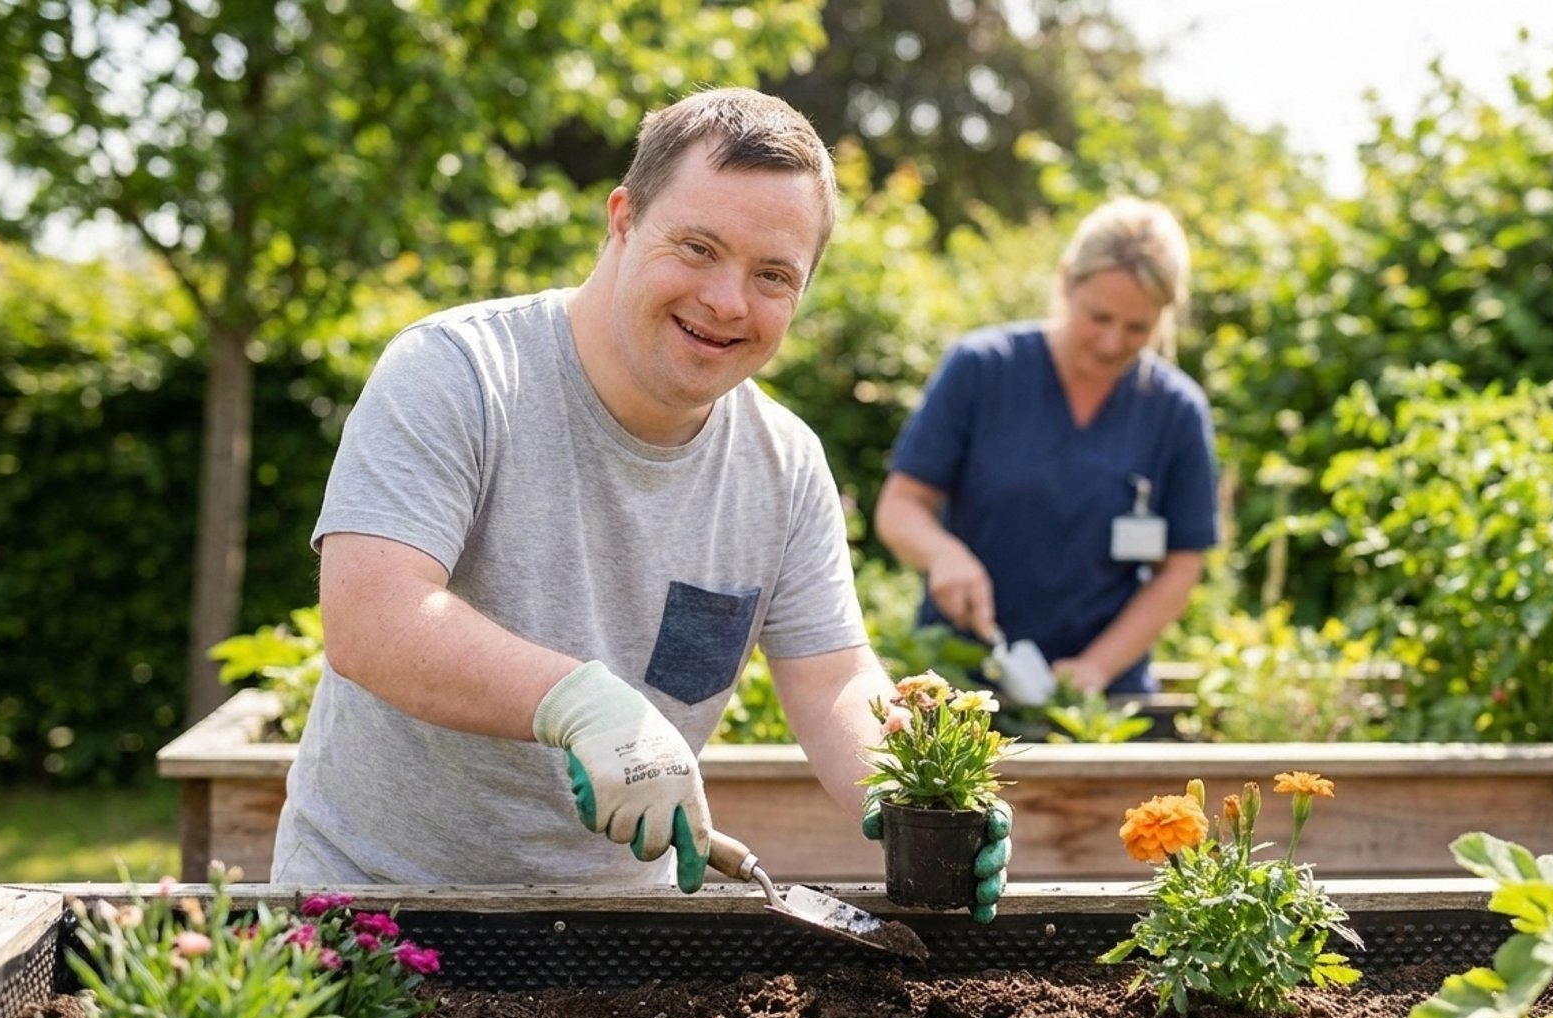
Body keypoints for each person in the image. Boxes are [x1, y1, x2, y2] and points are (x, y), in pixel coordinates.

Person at [271, 87, 1008, 919]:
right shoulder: (459, 373)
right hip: (379, 911)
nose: (728, 301)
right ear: (622, 219)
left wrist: (920, 792)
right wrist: (579, 700)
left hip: (628, 934)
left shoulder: (784, 462)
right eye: (697, 247)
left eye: (773, 275)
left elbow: (831, 676)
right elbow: (372, 616)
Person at [874, 198, 1218, 699]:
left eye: (1137, 328)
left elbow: (1180, 568)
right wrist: (943, 554)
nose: (1110, 342)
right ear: (1066, 282)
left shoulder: (1176, 411)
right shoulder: (982, 370)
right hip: (963, 681)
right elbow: (900, 507)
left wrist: (1095, 669)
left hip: (1103, 700)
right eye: (1098, 316)